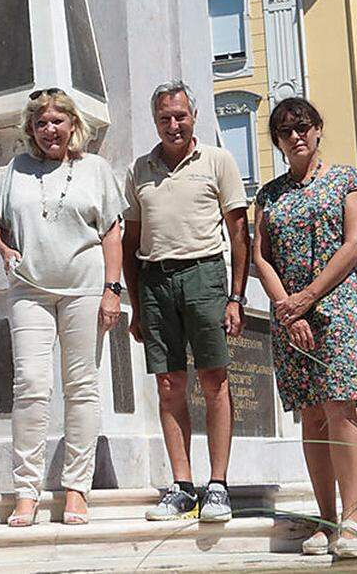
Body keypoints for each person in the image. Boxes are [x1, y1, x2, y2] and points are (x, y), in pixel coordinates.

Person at [0, 88, 127, 527]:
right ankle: (26, 491)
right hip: (30, 289)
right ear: (31, 130)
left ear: (73, 125)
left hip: (84, 289)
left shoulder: (95, 169)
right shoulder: (17, 168)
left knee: (82, 387)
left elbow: (111, 233)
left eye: (57, 121)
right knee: (30, 384)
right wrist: (3, 250)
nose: (50, 130)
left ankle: (76, 490)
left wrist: (112, 290)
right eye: (41, 123)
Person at [122, 80, 251, 523]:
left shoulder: (218, 160)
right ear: (155, 121)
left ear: (193, 116)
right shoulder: (140, 169)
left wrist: (236, 297)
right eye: (164, 118)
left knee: (214, 380)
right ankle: (182, 485)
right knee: (168, 385)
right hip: (155, 279)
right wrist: (136, 304)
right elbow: (130, 239)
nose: (173, 125)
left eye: (180, 116)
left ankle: (218, 484)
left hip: (205, 274)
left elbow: (238, 232)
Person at [251, 97, 357, 559]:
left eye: (303, 127)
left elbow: (354, 243)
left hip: (336, 308)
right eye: (285, 131)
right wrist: (286, 305)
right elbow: (261, 255)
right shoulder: (269, 194)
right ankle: (325, 518)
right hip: (290, 313)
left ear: (318, 129)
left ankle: (352, 517)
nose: (296, 136)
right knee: (311, 413)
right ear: (278, 141)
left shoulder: (346, 179)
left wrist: (307, 298)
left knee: (339, 407)